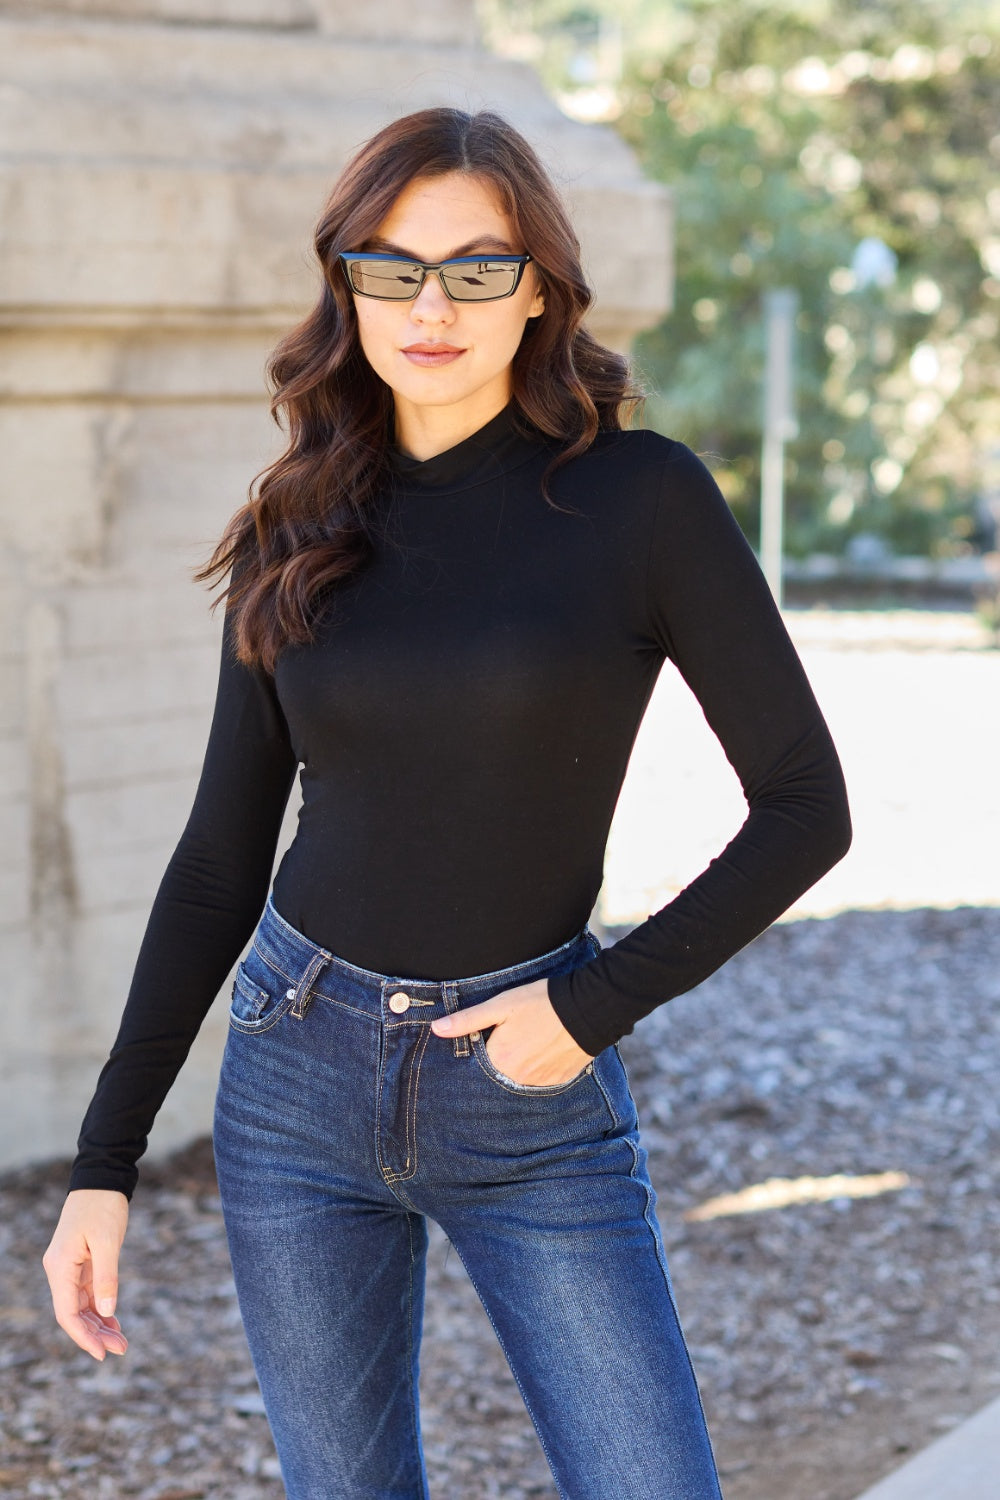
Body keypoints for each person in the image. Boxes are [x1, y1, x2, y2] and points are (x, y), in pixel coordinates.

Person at [43, 106, 852, 1499]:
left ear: (537, 287)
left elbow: (803, 805)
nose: (432, 307)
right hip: (295, 1073)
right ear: (344, 280)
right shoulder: (298, 517)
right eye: (391, 267)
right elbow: (219, 859)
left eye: (477, 270)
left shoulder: (642, 500)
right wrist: (103, 1163)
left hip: (529, 1079)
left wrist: (589, 1010)